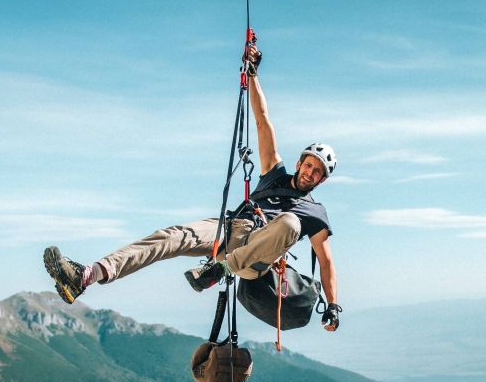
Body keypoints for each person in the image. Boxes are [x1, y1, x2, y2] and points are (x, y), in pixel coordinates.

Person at [43, 45, 342, 331]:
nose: (310, 173)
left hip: (255, 257)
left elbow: (326, 262)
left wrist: (333, 305)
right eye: (309, 164)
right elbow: (263, 121)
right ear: (300, 162)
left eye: (317, 172)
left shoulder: (314, 212)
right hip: (232, 228)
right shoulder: (275, 174)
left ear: (321, 180)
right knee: (170, 237)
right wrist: (253, 74)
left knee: (290, 222)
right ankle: (85, 277)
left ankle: (220, 270)